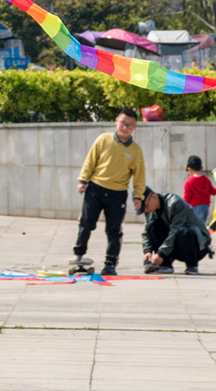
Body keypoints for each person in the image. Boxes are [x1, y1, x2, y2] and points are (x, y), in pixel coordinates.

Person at [74, 108, 146, 276]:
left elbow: (139, 175)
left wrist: (138, 196)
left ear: (135, 127)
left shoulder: (136, 150)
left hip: (118, 194)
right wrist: (83, 180)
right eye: (123, 123)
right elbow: (90, 161)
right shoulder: (103, 139)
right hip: (95, 189)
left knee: (114, 230)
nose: (125, 128)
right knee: (86, 224)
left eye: (130, 125)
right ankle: (78, 254)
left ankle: (110, 263)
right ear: (116, 121)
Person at [141, 187, 214, 275]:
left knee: (183, 231)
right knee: (151, 226)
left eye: (146, 206)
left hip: (197, 247)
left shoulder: (175, 203)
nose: (145, 209)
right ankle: (165, 264)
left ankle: (192, 265)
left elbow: (174, 231)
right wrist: (147, 251)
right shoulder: (150, 209)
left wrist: (161, 253)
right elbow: (146, 232)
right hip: (174, 246)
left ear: (154, 197)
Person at [182, 155, 216, 229]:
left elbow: (187, 197)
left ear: (189, 170)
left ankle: (199, 238)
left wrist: (183, 206)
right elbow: (213, 191)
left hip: (195, 207)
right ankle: (202, 237)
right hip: (205, 207)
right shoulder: (206, 180)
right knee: (201, 224)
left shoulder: (189, 182)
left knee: (195, 226)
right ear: (201, 168)